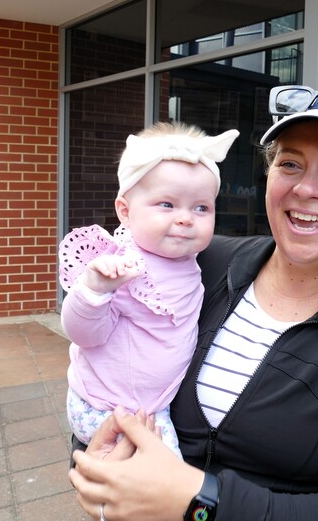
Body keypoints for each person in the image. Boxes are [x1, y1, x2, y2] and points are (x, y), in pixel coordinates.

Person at [68, 84, 318, 521]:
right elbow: (107, 366)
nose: (305, 188)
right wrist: (94, 466)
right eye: (290, 164)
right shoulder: (201, 263)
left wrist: (196, 502)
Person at [59, 122, 239, 457]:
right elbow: (83, 334)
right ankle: (106, 509)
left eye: (201, 207)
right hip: (106, 406)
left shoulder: (189, 257)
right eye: (167, 205)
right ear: (125, 212)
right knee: (164, 474)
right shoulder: (123, 267)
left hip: (152, 405)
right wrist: (95, 289)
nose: (187, 219)